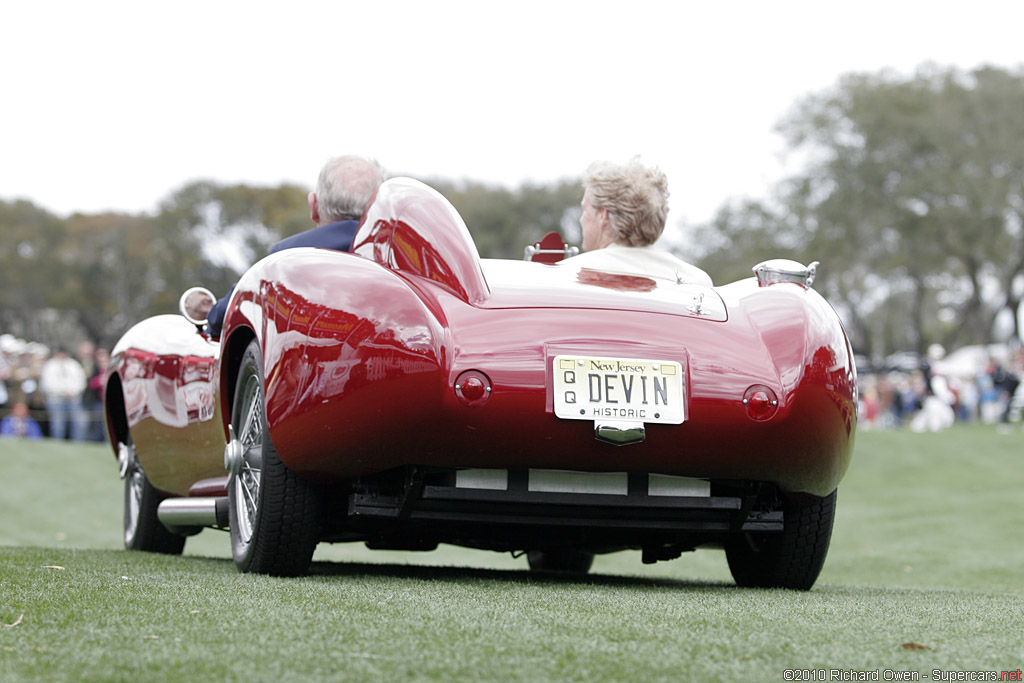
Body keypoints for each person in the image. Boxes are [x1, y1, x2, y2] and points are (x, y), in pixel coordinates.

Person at [206, 155, 386, 338]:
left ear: (314, 206)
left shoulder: (285, 255)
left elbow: (223, 316)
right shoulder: (399, 253)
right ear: (381, 206)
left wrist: (207, 314)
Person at [558, 159, 713, 285]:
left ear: (603, 215)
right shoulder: (698, 282)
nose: (581, 219)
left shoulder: (571, 275)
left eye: (585, 210)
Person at [38, 348, 88, 440]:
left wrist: (72, 392)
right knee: (58, 424)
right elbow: (47, 384)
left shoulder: (73, 365)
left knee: (78, 423)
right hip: (56, 399)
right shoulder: (50, 365)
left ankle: (78, 443)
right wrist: (62, 392)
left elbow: (81, 381)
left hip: (73, 399)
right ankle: (57, 443)